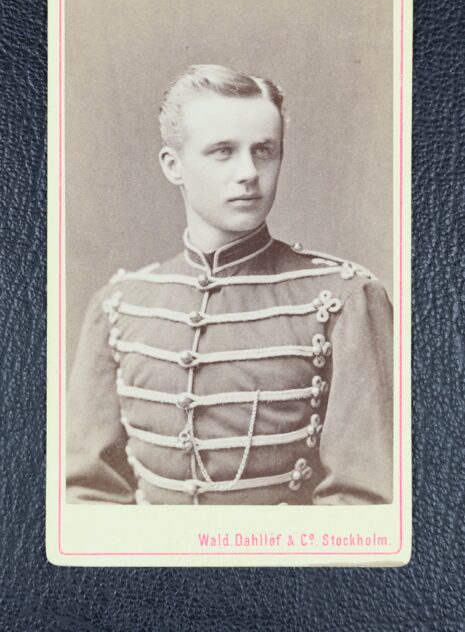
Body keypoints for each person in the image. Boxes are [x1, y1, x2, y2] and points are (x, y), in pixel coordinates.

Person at [67, 64, 393, 506]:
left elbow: (365, 504)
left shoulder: (346, 299)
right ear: (173, 166)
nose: (249, 172)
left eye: (264, 150)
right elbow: (86, 495)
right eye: (222, 151)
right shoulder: (119, 307)